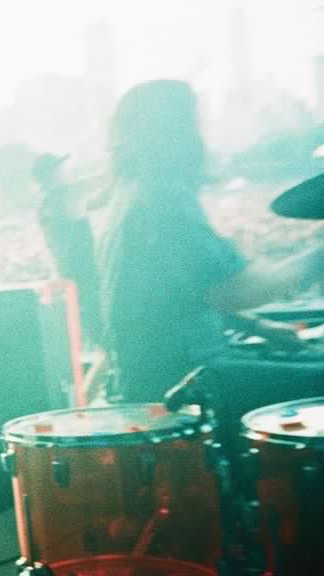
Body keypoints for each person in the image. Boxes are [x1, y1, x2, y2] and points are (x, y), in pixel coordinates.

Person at [94, 79, 324, 403]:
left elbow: (182, 296)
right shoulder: (162, 201)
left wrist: (260, 327)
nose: (199, 139)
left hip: (165, 373)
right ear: (169, 135)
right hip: (184, 380)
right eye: (191, 126)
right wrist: (319, 257)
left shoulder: (131, 195)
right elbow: (233, 290)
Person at [32, 152, 102, 348]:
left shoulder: (45, 205)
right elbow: (106, 182)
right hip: (85, 270)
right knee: (99, 322)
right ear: (52, 174)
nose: (65, 171)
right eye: (60, 168)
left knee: (89, 323)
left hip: (67, 273)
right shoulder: (69, 193)